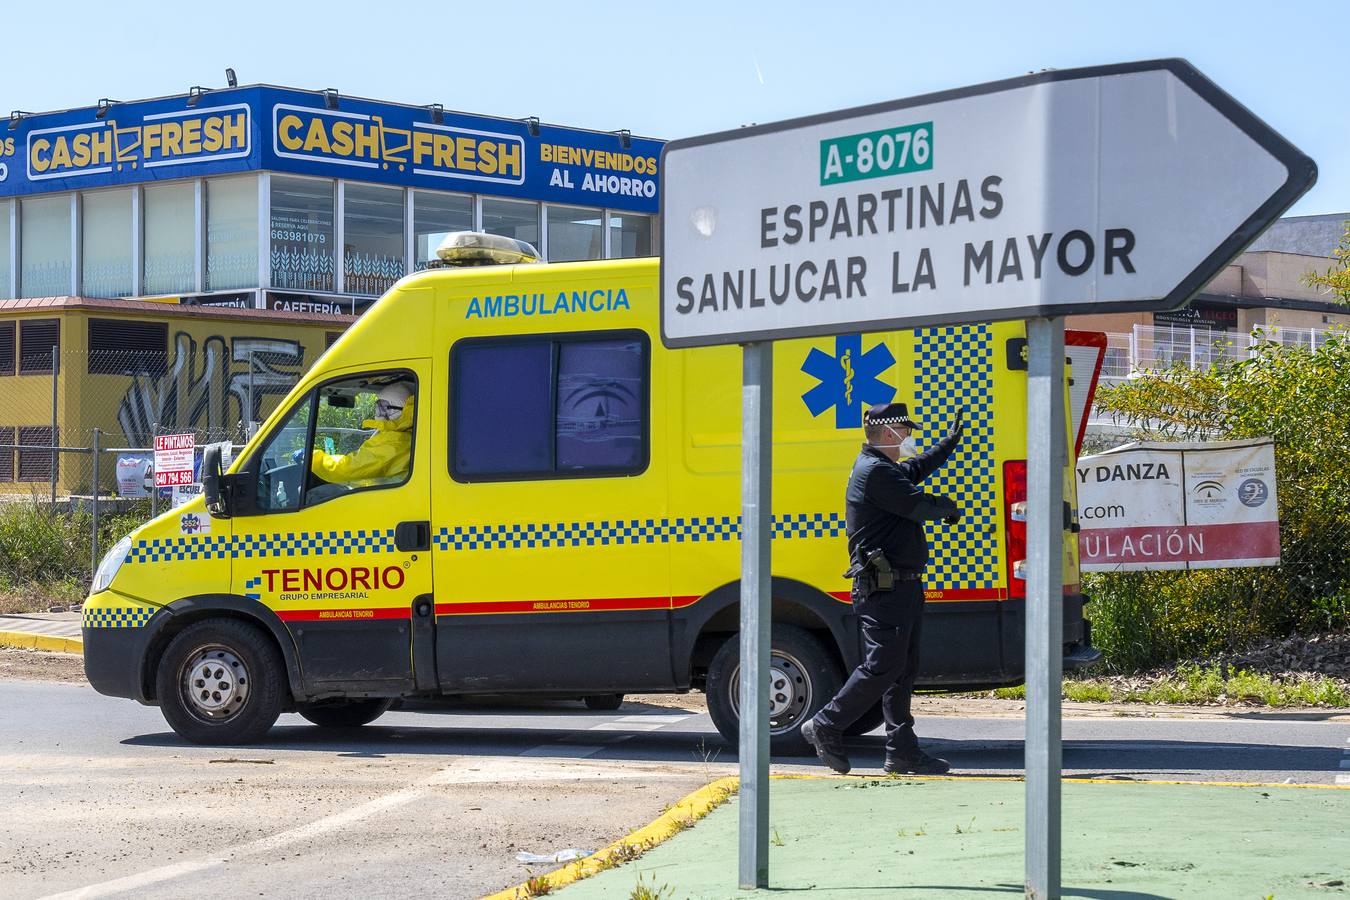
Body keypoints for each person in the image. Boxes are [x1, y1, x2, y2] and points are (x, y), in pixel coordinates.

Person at [802, 401, 964, 776]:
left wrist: (948, 443)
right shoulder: (874, 472)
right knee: (882, 666)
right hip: (882, 589)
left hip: (900, 587)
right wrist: (947, 507)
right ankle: (826, 723)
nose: (908, 438)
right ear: (889, 434)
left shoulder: (884, 469)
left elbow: (914, 468)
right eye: (905, 432)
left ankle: (901, 751)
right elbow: (914, 503)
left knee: (901, 669)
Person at [309, 382, 415, 485]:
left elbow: (350, 468)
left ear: (403, 409)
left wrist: (312, 459)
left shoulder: (397, 442)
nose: (379, 413)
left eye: (384, 407)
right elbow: (364, 474)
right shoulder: (398, 434)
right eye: (378, 406)